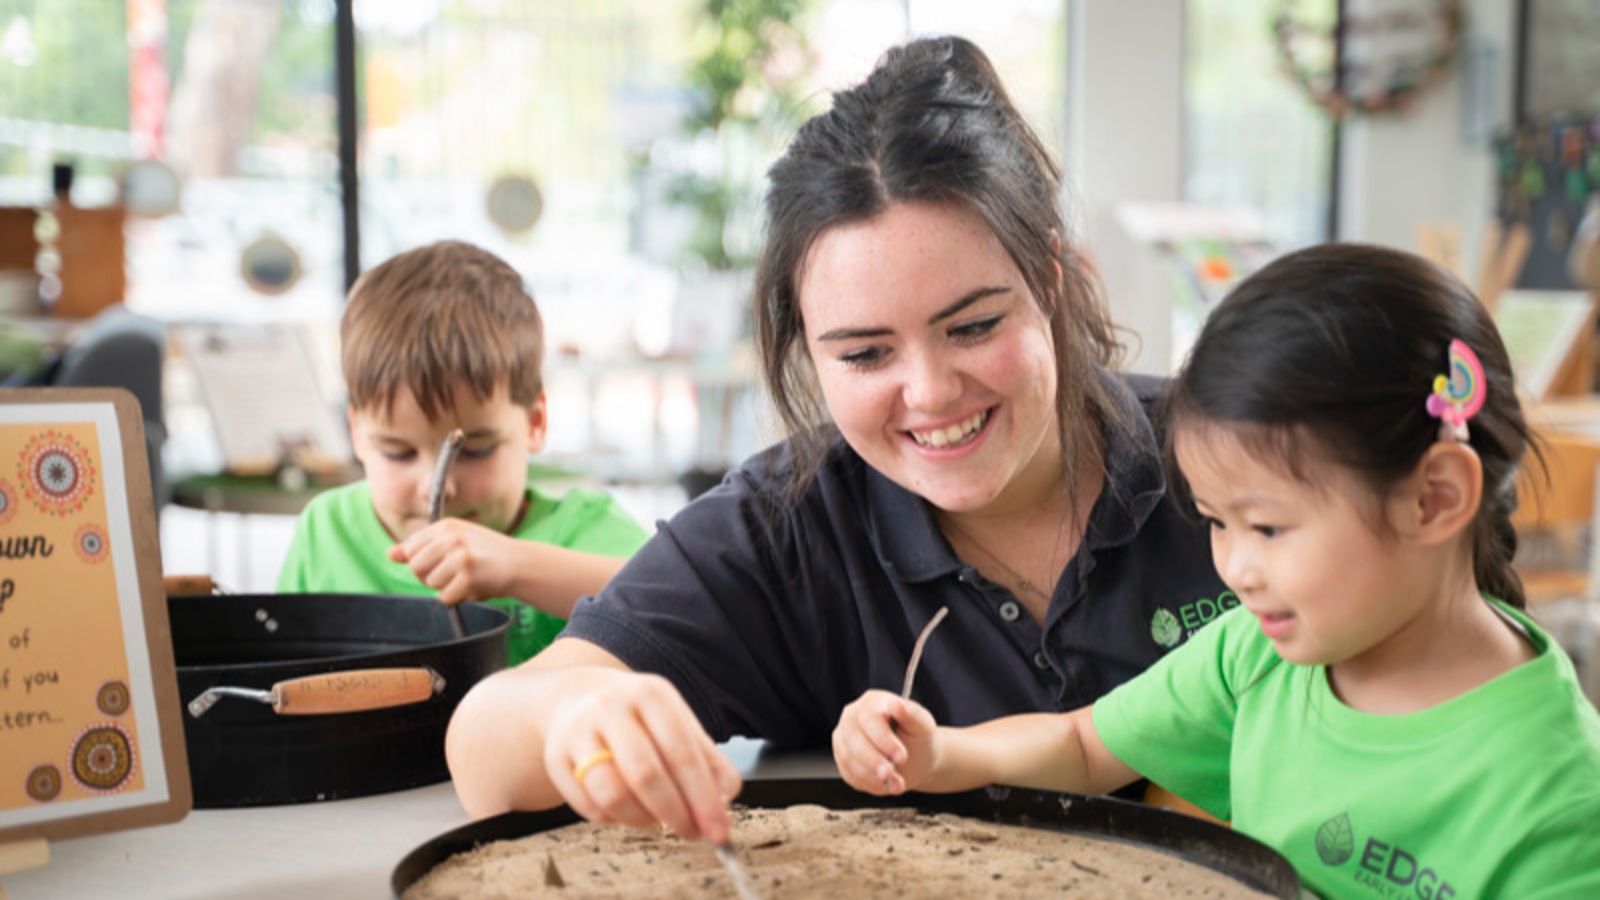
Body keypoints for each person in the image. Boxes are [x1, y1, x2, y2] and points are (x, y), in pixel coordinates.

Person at [444, 36, 1229, 842]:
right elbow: (485, 746)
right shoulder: (789, 528)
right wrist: (581, 712)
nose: (928, 393)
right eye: (864, 353)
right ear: (807, 349)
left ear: (1051, 281)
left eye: (975, 325)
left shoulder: (1231, 455)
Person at [833, 243, 1600, 900]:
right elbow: (1083, 747)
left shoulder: (1558, 796)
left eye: (1267, 527)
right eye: (1217, 524)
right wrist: (940, 754)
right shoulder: (1256, 656)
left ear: (1434, 498)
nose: (1234, 568)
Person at [276, 240, 650, 665]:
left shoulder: (583, 532)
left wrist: (516, 568)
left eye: (475, 450)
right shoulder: (325, 532)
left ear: (535, 422)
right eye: (397, 453)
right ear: (357, 433)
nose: (436, 487)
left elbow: (673, 606)